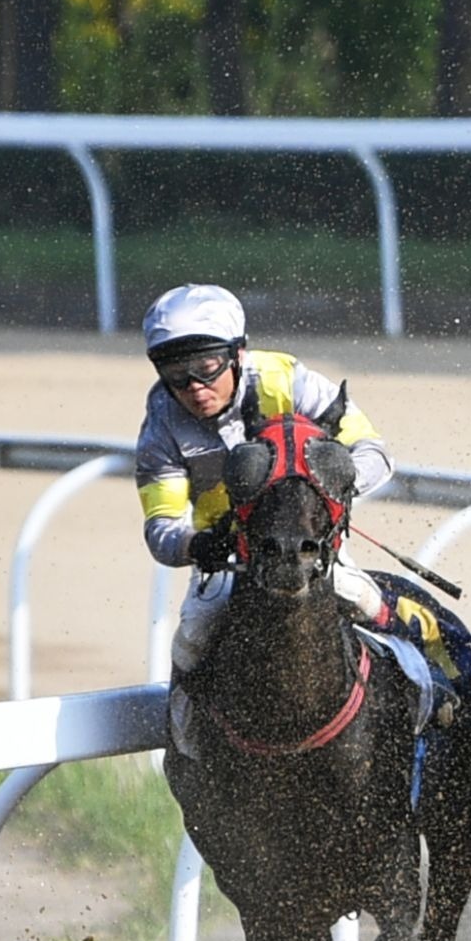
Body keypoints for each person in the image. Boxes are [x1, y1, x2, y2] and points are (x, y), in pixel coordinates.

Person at [134, 284, 395, 753]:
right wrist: (199, 544)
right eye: (175, 374)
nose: (194, 387)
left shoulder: (287, 381)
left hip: (309, 545)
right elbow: (161, 528)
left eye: (206, 368)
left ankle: (423, 690)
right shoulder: (162, 423)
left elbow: (374, 453)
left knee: (365, 599)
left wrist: (328, 489)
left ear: (238, 354)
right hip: (230, 558)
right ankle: (188, 751)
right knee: (191, 637)